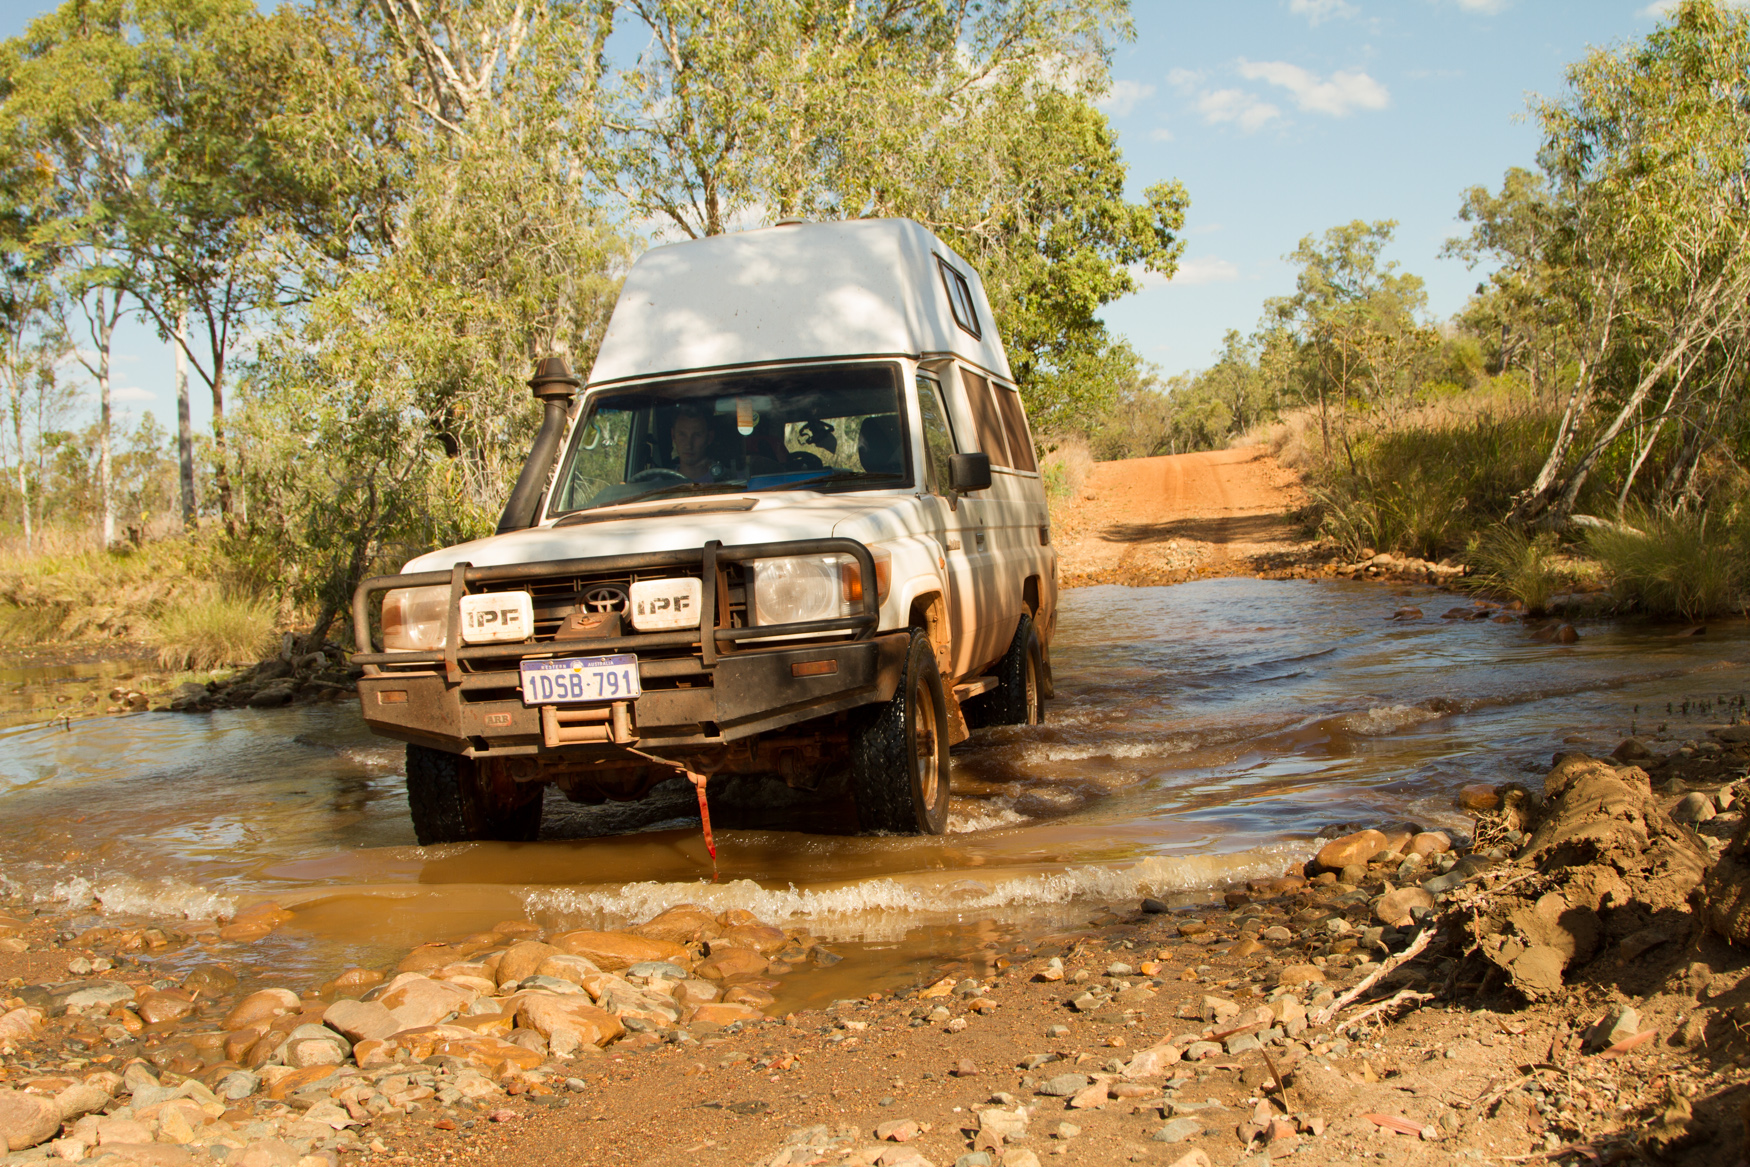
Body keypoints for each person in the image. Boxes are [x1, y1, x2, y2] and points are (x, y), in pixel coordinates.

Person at [670, 412, 717, 483]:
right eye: (682, 435)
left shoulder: (731, 482)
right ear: (673, 436)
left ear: (709, 437)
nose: (689, 445)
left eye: (697, 435)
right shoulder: (658, 486)